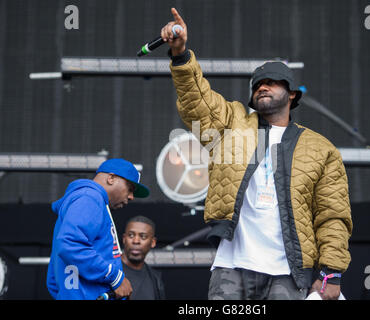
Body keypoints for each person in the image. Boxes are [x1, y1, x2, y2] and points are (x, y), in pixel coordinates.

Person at [161, 8, 353, 300]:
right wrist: (181, 54)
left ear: (291, 94)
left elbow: (332, 216)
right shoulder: (231, 123)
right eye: (258, 85)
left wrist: (330, 275)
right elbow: (197, 102)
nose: (262, 86)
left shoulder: (320, 149)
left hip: (288, 272)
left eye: (272, 82)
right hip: (231, 268)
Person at [46, 158, 150, 300]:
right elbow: (70, 244)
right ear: (111, 178)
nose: (131, 197)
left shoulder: (88, 199)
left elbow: (53, 280)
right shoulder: (89, 198)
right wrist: (116, 278)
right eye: (130, 188)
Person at [121, 216, 166, 300]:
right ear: (124, 239)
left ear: (153, 242)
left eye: (143, 236)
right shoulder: (110, 271)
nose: (136, 241)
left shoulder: (155, 279)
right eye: (131, 235)